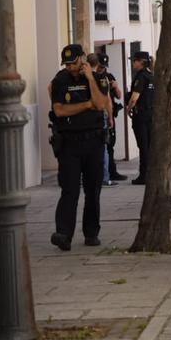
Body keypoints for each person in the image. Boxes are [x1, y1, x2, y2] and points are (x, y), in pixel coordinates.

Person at [50, 44, 110, 250]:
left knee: (93, 190)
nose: (70, 68)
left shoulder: (98, 78)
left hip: (93, 141)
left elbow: (101, 104)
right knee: (70, 190)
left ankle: (91, 233)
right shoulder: (60, 79)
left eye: (73, 63)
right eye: (66, 64)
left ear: (82, 59)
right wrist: (85, 105)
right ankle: (63, 234)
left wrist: (90, 78)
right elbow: (59, 110)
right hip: (69, 143)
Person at [90, 52, 127, 183]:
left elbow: (118, 96)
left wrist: (116, 87)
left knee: (110, 145)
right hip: (100, 115)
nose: (102, 69)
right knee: (103, 146)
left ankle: (112, 171)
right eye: (100, 67)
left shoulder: (108, 76)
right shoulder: (92, 78)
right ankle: (104, 174)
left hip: (109, 115)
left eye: (104, 67)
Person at [126, 51, 155, 185]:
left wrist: (128, 108)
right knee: (148, 146)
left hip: (141, 116)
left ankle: (144, 176)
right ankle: (149, 174)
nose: (133, 63)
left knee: (143, 147)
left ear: (141, 62)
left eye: (134, 60)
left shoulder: (141, 77)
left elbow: (134, 97)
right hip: (150, 115)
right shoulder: (151, 76)